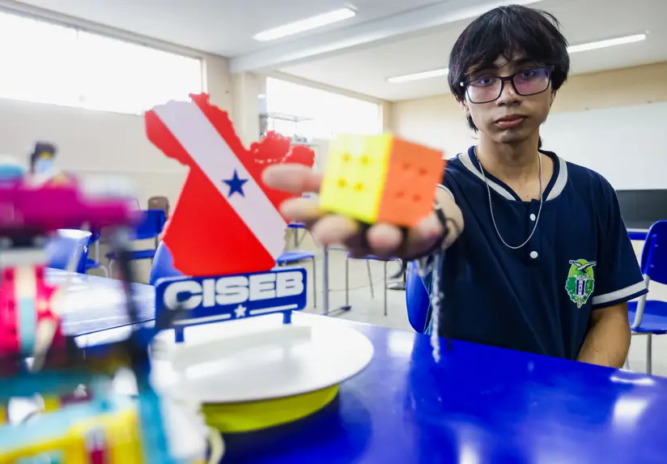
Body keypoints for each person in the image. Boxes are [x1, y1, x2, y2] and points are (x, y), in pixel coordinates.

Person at [263, 5, 646, 368]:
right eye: (484, 80)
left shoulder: (593, 191)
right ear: (464, 100)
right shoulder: (439, 180)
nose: (507, 94)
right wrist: (420, 223)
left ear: (553, 87)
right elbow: (434, 202)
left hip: (561, 403)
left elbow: (610, 316)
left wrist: (574, 395)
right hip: (451, 398)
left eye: (528, 73)